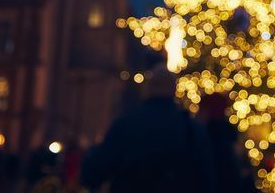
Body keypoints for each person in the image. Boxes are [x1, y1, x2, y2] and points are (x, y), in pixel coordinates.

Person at [81, 64, 216, 193]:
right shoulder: (191, 130)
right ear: (173, 90)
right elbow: (207, 181)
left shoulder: (126, 125)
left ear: (148, 89)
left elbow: (92, 174)